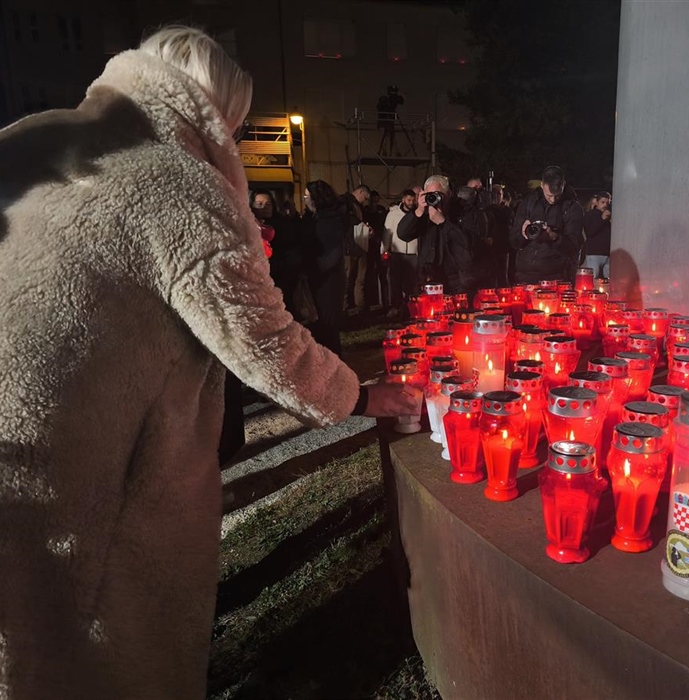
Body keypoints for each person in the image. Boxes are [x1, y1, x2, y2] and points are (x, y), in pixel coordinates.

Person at [0, 26, 416, 699]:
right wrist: (367, 398)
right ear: (217, 115)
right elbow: (264, 343)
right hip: (78, 475)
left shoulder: (33, 137)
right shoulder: (174, 183)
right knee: (93, 651)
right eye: (239, 127)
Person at [397, 174, 477, 297]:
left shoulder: (463, 212)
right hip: (430, 279)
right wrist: (418, 211)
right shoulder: (423, 215)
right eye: (430, 195)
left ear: (449, 194)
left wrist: (443, 222)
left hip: (458, 280)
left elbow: (468, 242)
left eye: (439, 194)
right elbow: (403, 234)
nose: (435, 198)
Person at [510, 165, 584, 284]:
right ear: (541, 184)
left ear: (563, 185)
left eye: (557, 195)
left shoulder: (572, 208)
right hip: (524, 275)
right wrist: (523, 233)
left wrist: (554, 237)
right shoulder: (528, 203)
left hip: (555, 277)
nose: (553, 200)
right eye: (549, 195)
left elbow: (573, 247)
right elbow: (513, 241)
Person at [301, 180, 348, 357]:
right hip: (317, 278)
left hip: (329, 281)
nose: (304, 200)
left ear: (317, 198)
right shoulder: (314, 218)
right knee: (319, 327)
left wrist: (311, 269)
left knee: (328, 327)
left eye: (307, 196)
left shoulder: (331, 220)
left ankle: (337, 369)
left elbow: (333, 255)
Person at [382, 188, 418, 318]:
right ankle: (395, 306)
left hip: (413, 253)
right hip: (397, 253)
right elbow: (387, 233)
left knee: (411, 283)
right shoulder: (393, 214)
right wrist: (385, 250)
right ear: (403, 199)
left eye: (413, 200)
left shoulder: (416, 213)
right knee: (395, 281)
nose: (411, 202)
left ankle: (409, 307)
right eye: (408, 200)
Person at [341, 184, 372, 314]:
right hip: (349, 246)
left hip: (360, 245)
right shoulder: (344, 202)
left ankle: (361, 306)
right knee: (347, 279)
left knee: (360, 279)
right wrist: (360, 225)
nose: (364, 201)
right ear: (360, 192)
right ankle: (344, 308)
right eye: (364, 198)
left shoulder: (358, 206)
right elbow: (347, 221)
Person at [583, 191, 612, 280]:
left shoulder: (608, 217)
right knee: (592, 280)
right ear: (597, 202)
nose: (605, 205)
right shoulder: (590, 215)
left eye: (607, 203)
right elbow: (590, 232)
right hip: (594, 254)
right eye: (602, 202)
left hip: (607, 254)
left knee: (607, 280)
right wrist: (602, 219)